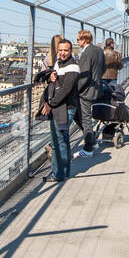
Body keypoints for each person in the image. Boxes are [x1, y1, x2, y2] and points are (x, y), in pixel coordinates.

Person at [40, 37, 82, 182]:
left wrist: (50, 104)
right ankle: (65, 171)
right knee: (63, 140)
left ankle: (57, 174)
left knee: (58, 142)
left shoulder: (73, 67)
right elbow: (55, 81)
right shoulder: (59, 63)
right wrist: (51, 76)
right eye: (60, 50)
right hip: (60, 107)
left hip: (65, 107)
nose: (63, 53)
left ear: (71, 51)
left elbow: (65, 89)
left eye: (66, 50)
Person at [73, 29, 105, 155]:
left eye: (78, 39)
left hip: (86, 90)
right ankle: (92, 140)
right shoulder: (99, 50)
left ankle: (88, 148)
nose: (77, 41)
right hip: (96, 87)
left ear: (84, 39)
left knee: (85, 118)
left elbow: (84, 74)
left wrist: (76, 89)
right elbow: (103, 68)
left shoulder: (86, 52)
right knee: (79, 115)